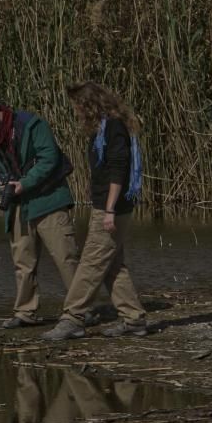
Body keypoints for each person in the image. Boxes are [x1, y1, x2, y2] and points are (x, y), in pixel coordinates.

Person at [42, 82, 147, 341]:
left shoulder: (113, 128)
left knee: (90, 263)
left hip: (111, 208)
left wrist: (109, 209)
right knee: (112, 265)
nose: (76, 111)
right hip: (106, 206)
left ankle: (73, 318)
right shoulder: (103, 129)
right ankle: (134, 319)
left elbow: (118, 170)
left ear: (89, 105)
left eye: (78, 106)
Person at [0, 94, 79, 329]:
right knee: (23, 261)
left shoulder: (32, 125)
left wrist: (25, 183)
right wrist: (2, 186)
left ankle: (80, 310)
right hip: (19, 205)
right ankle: (25, 312)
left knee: (65, 257)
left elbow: (49, 158)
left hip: (49, 200)